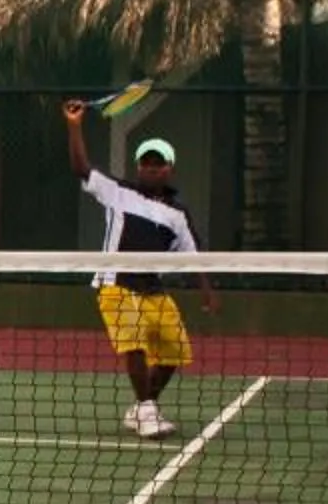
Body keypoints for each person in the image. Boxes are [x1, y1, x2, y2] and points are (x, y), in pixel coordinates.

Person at [63, 101, 217, 439]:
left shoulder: (178, 214)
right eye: (146, 163)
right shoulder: (118, 193)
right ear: (138, 167)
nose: (151, 168)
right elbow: (80, 167)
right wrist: (74, 125)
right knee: (133, 344)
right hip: (117, 283)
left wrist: (206, 291)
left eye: (158, 164)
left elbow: (191, 256)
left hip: (153, 289)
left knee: (174, 351)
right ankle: (148, 410)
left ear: (169, 169)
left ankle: (142, 406)